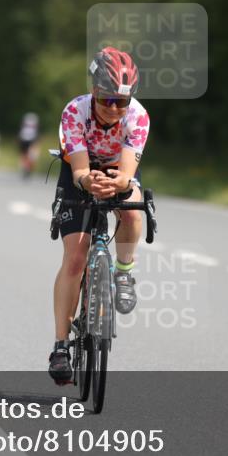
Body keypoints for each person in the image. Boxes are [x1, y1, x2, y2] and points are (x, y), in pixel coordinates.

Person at [48, 47, 150, 384]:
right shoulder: (74, 112)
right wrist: (88, 180)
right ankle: (61, 346)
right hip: (79, 174)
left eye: (121, 102)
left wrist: (119, 182)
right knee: (76, 258)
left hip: (114, 171)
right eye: (107, 99)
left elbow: (126, 172)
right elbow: (78, 170)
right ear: (94, 91)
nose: (113, 108)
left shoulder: (138, 116)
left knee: (134, 214)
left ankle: (123, 273)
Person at [18, 112, 40, 179]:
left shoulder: (25, 122)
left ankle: (25, 167)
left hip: (24, 139)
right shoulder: (34, 122)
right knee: (29, 155)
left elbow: (21, 129)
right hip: (30, 139)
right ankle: (27, 168)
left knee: (25, 155)